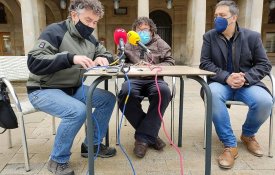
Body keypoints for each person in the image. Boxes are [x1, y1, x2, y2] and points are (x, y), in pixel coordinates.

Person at [27, 0, 116, 174]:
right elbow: (34, 61)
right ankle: (57, 160)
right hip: (43, 89)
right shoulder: (55, 31)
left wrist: (103, 58)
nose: (91, 26)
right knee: (78, 111)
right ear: (74, 15)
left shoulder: (90, 39)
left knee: (108, 99)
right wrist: (69, 58)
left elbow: (106, 52)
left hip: (72, 89)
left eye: (95, 22)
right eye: (88, 20)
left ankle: (91, 145)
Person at [200, 0, 273, 169]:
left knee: (265, 101)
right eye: (216, 15)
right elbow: (205, 63)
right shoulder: (209, 36)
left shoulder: (252, 37)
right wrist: (226, 77)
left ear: (233, 18)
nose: (217, 18)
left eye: (222, 15)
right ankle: (229, 145)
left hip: (247, 84)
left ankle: (248, 135)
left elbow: (264, 64)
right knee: (212, 95)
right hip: (220, 82)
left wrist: (245, 77)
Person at [118, 17, 175, 158]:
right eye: (139, 29)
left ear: (151, 31)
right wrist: (130, 65)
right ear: (134, 31)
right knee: (125, 93)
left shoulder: (160, 43)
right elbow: (119, 62)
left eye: (145, 29)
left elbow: (170, 62)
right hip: (134, 79)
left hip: (155, 79)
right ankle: (151, 136)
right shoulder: (128, 43)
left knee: (164, 92)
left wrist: (155, 67)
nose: (142, 32)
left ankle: (142, 139)